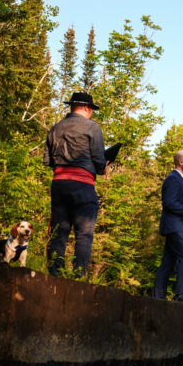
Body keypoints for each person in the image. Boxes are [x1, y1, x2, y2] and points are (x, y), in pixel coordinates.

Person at [43, 92, 107, 277]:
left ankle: (54, 274)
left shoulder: (55, 128)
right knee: (84, 234)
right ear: (86, 108)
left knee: (58, 232)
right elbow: (99, 161)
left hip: (59, 183)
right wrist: (103, 167)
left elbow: (48, 161)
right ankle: (78, 276)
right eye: (92, 110)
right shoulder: (92, 127)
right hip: (83, 185)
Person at [153, 150, 183, 301]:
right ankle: (181, 294)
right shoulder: (174, 179)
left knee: (168, 261)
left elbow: (176, 205)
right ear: (181, 162)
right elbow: (169, 203)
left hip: (176, 226)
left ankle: (157, 296)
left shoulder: (179, 179)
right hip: (174, 227)